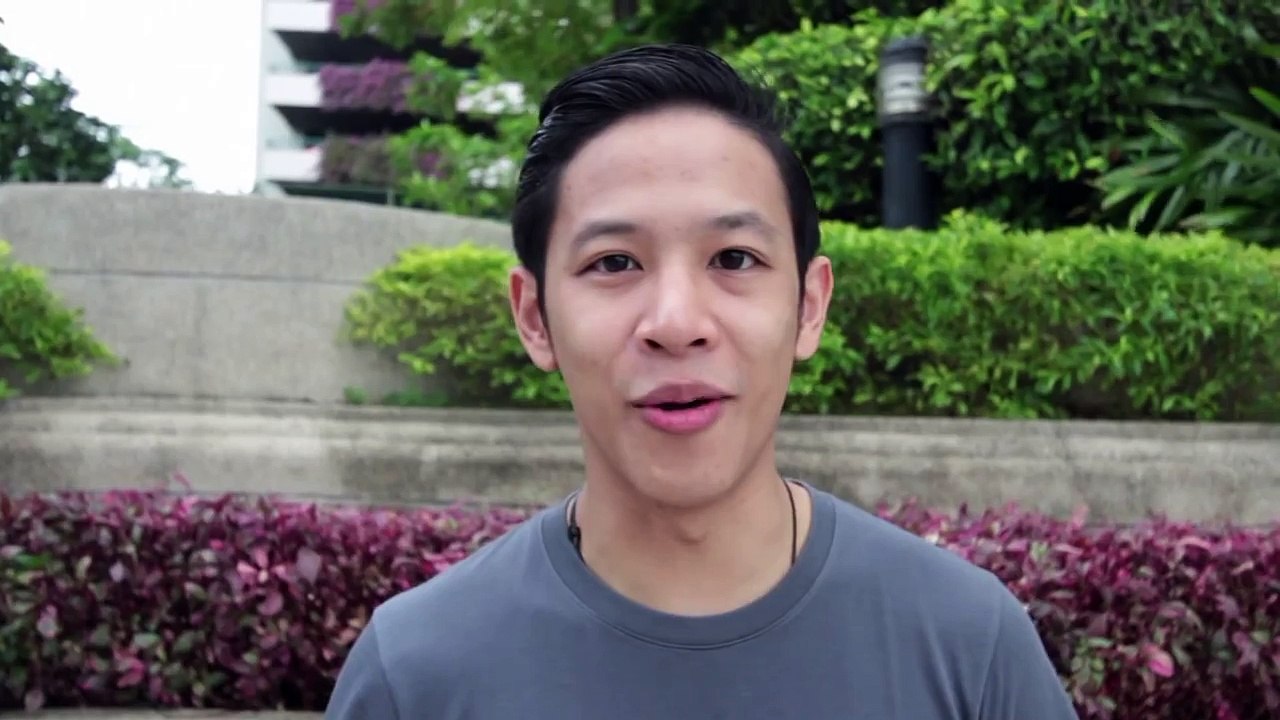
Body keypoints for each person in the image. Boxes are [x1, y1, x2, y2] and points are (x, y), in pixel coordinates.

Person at [325, 43, 1080, 719]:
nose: (677, 322)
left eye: (734, 259)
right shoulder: (415, 674)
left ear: (809, 306)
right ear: (535, 318)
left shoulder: (967, 648)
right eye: (613, 262)